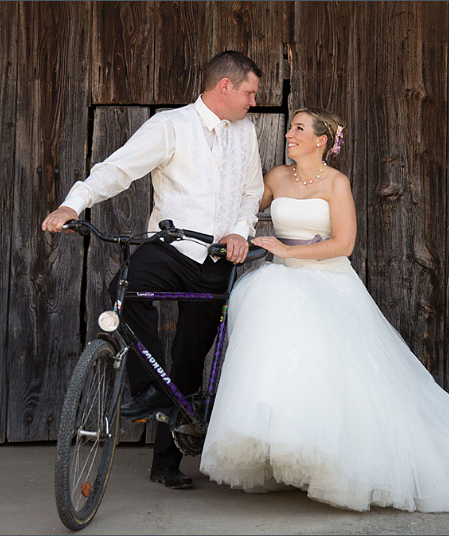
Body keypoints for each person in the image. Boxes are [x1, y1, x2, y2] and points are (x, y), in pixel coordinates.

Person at [199, 108, 449, 512]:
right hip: (280, 280)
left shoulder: (336, 183)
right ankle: (284, 453)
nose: (288, 134)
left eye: (299, 128)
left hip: (326, 279)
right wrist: (236, 231)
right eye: (290, 127)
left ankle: (342, 460)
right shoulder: (276, 178)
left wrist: (284, 247)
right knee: (281, 357)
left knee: (346, 376)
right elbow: (246, 208)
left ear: (321, 140)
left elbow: (344, 244)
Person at [42, 51, 265, 490]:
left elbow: (250, 193)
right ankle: (149, 388)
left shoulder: (247, 132)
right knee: (125, 288)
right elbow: (119, 168)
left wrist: (240, 231)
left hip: (218, 259)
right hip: (170, 248)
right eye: (249, 92)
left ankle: (165, 463)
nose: (253, 101)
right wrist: (74, 203)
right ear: (225, 86)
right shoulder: (171, 125)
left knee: (188, 357)